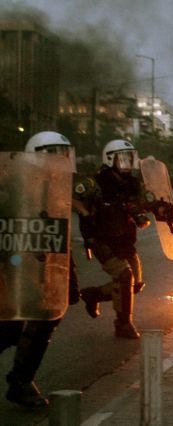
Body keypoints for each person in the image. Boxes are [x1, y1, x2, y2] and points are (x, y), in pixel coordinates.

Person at [0, 131, 80, 408]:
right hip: (13, 266)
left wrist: (68, 278)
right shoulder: (11, 182)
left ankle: (21, 381)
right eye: (54, 153)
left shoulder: (58, 186)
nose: (61, 159)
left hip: (44, 268)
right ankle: (20, 382)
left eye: (63, 153)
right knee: (8, 329)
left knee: (44, 319)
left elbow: (60, 235)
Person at [73, 139, 164, 339]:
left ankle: (93, 294)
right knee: (124, 278)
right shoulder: (95, 182)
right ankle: (123, 324)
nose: (127, 162)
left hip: (125, 239)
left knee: (135, 286)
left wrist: (159, 207)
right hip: (101, 239)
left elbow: (144, 201)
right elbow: (73, 196)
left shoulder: (133, 183)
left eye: (130, 158)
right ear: (110, 159)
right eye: (123, 158)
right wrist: (85, 213)